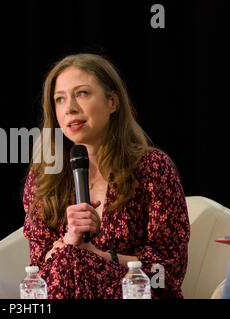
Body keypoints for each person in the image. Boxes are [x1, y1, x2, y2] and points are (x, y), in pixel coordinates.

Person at [22, 53, 190, 299]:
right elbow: (37, 272)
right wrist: (70, 242)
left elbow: (169, 272)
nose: (69, 108)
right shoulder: (44, 177)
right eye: (59, 99)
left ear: (112, 102)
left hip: (137, 294)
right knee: (68, 262)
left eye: (81, 94)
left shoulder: (152, 168)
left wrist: (98, 256)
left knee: (73, 260)